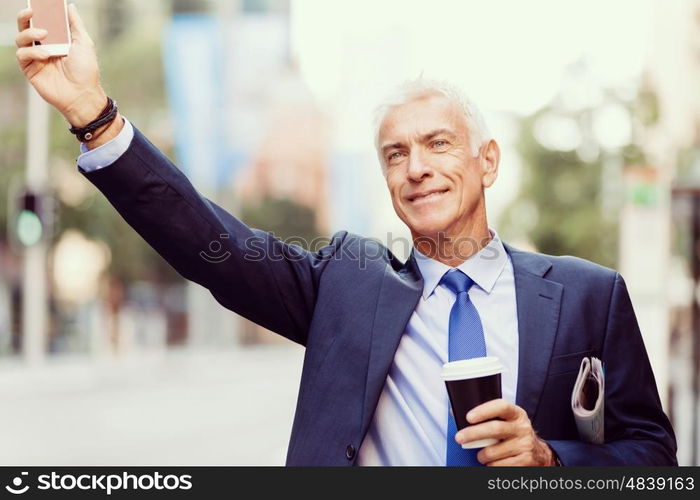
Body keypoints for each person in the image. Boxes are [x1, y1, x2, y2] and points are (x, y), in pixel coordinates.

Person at [15, 5, 677, 466]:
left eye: (438, 144)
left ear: (488, 161)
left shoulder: (590, 296)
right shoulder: (349, 283)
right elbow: (208, 243)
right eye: (394, 154)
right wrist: (92, 116)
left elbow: (652, 457)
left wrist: (549, 460)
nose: (416, 167)